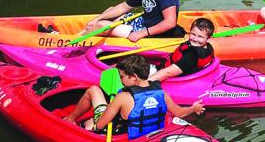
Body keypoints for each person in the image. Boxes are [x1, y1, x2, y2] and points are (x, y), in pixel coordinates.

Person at [66, 54, 205, 135]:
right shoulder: (162, 93)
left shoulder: (123, 97)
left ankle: (70, 119)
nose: (120, 80)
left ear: (133, 77)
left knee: (93, 90)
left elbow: (101, 125)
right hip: (144, 133)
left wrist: (95, 119)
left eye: (122, 77)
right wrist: (193, 108)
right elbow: (179, 113)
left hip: (119, 133)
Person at [148, 18, 216, 83]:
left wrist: (146, 82)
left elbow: (167, 73)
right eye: (193, 34)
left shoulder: (191, 55)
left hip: (168, 77)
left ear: (208, 38)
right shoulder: (208, 47)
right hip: (165, 66)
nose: (195, 39)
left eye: (200, 36)